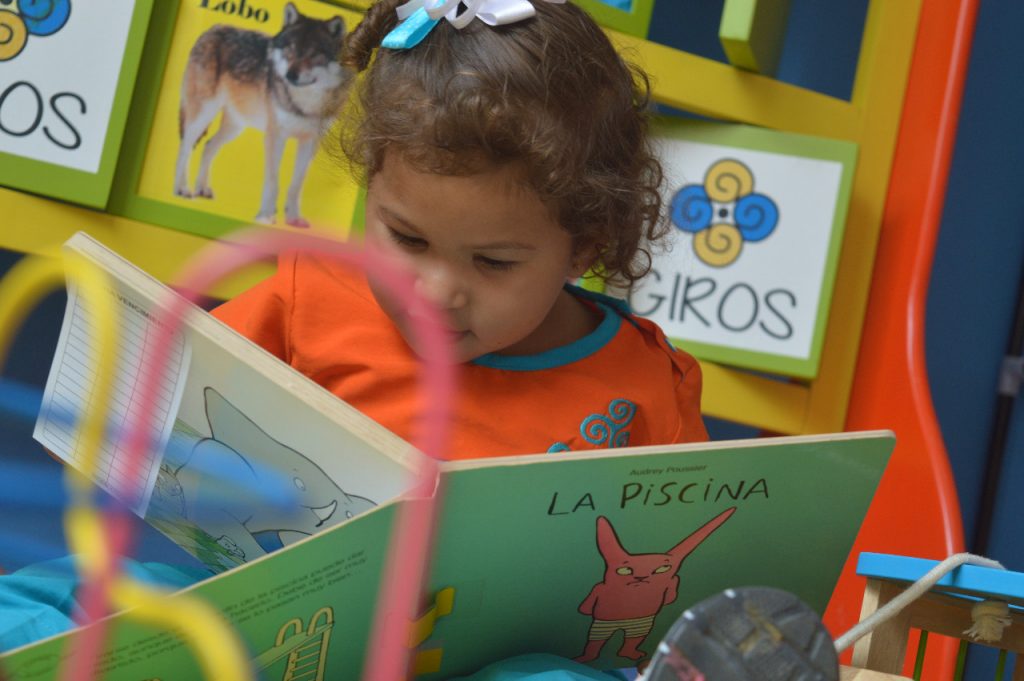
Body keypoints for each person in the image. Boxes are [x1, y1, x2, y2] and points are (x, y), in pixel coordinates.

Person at [0, 0, 720, 676]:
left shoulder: (642, 383)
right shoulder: (309, 293)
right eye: (406, 238)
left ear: (585, 246)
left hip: (483, 663)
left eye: (494, 262)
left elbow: (699, 575)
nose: (435, 293)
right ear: (371, 187)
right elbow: (172, 410)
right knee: (52, 602)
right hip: (269, 629)